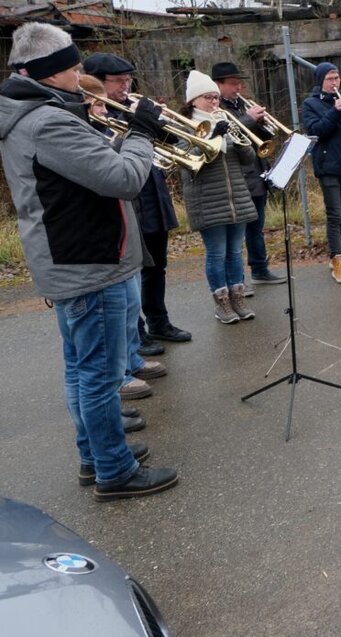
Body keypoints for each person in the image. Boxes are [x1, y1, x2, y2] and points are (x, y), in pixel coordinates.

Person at [0, 22, 178, 500]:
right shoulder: (47, 121)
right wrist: (141, 132)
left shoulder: (37, 113)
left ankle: (94, 456)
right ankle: (114, 470)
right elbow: (122, 180)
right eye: (74, 68)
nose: (82, 75)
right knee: (98, 375)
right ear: (49, 73)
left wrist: (117, 138)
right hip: (89, 261)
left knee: (82, 369)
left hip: (78, 256)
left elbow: (92, 172)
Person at [83, 53, 192, 349]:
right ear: (96, 82)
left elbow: (170, 146)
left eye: (128, 79)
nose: (125, 86)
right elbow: (106, 159)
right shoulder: (92, 114)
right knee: (132, 273)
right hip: (127, 203)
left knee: (158, 266)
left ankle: (159, 321)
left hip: (154, 196)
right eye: (118, 81)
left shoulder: (132, 108)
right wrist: (136, 126)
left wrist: (159, 123)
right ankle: (136, 332)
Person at [178, 70, 259, 323]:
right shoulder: (185, 125)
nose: (214, 103)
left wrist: (241, 136)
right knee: (216, 253)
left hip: (236, 196)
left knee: (235, 252)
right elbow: (190, 163)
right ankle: (222, 303)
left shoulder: (225, 119)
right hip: (207, 200)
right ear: (193, 101)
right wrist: (213, 138)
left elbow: (248, 160)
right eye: (208, 98)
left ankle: (238, 297)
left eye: (215, 98)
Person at [213, 61, 287, 287]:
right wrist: (248, 119)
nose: (238, 88)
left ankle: (260, 269)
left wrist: (262, 122)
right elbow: (229, 134)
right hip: (237, 176)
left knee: (257, 227)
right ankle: (236, 281)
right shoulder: (217, 109)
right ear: (218, 85)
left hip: (257, 173)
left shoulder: (242, 106)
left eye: (240, 84)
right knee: (236, 236)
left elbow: (265, 137)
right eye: (233, 84)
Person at [302, 62, 341, 282]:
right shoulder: (310, 104)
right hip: (328, 166)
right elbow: (317, 131)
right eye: (330, 78)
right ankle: (336, 260)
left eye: (337, 78)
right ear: (321, 81)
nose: (335, 82)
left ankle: (339, 255)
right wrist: (335, 112)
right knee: (334, 214)